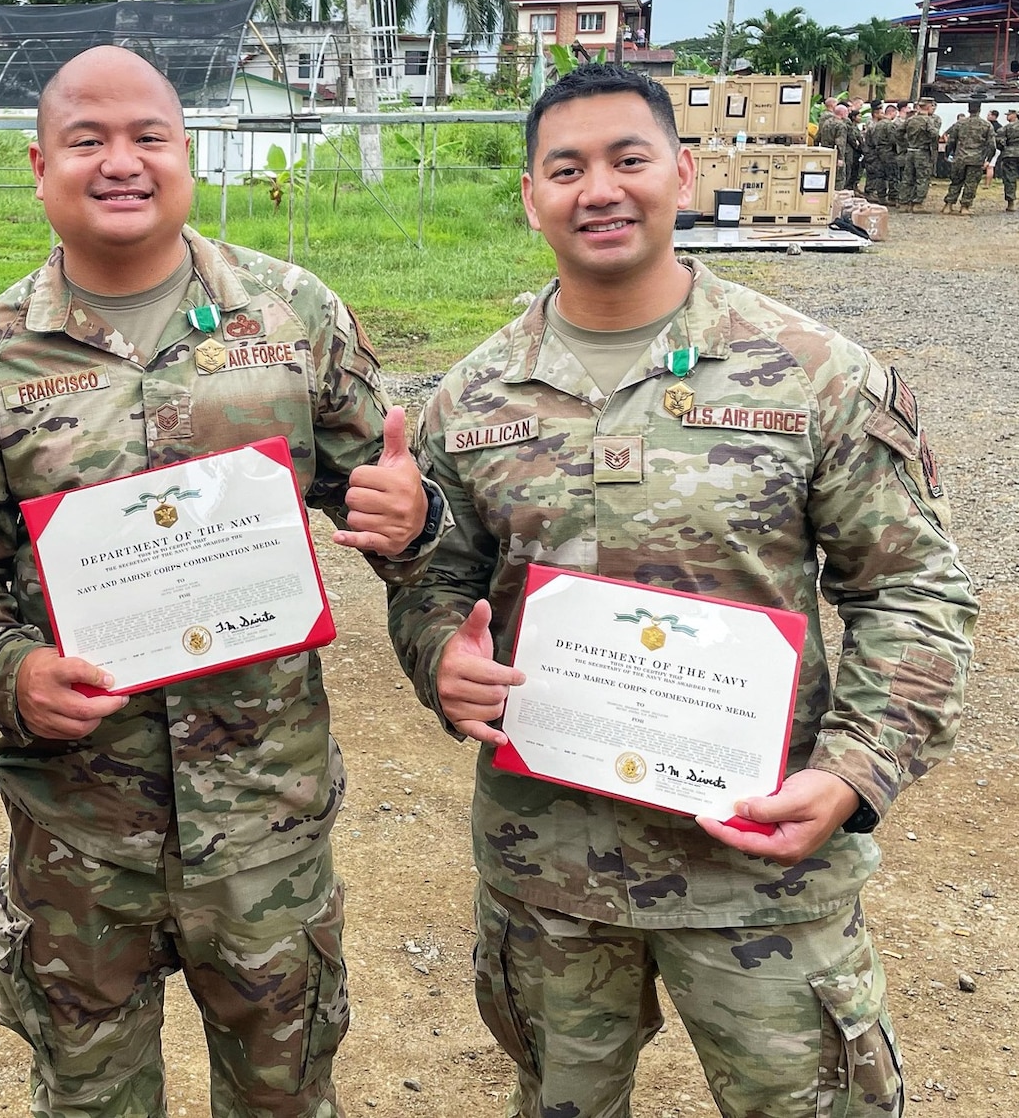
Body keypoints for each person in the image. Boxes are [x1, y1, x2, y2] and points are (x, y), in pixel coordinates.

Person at [385, 63, 975, 1118]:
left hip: (758, 863)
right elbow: (439, 579)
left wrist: (852, 770)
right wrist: (441, 658)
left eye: (626, 159)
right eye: (563, 168)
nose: (596, 189)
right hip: (547, 866)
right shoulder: (469, 397)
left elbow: (913, 593)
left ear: (682, 172)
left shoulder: (811, 374)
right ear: (529, 195)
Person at [0, 44, 443, 1118]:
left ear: (185, 151)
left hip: (265, 828)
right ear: (38, 164)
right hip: (77, 836)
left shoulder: (292, 317)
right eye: (87, 140)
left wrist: (409, 515)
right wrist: (10, 674)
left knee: (284, 1096)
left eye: (147, 136)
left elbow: (380, 498)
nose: (121, 162)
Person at [940, 100, 993, 214]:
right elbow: (992, 145)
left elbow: (951, 141)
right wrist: (988, 159)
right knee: (971, 184)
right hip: (976, 159)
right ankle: (965, 207)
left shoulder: (959, 124)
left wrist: (948, 154)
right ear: (979, 110)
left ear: (969, 110)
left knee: (955, 182)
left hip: (960, 157)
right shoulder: (986, 125)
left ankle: (948, 205)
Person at [903, 99, 942, 210]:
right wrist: (929, 141)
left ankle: (904, 203)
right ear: (928, 107)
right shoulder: (928, 120)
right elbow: (934, 134)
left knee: (907, 178)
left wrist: (905, 143)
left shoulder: (910, 119)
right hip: (922, 152)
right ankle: (917, 203)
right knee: (922, 178)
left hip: (910, 151)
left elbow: (899, 132)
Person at [815, 102, 852, 191]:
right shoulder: (841, 125)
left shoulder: (826, 122)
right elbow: (840, 143)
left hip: (824, 152)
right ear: (842, 113)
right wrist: (840, 158)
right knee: (839, 178)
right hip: (835, 154)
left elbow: (818, 137)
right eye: (846, 113)